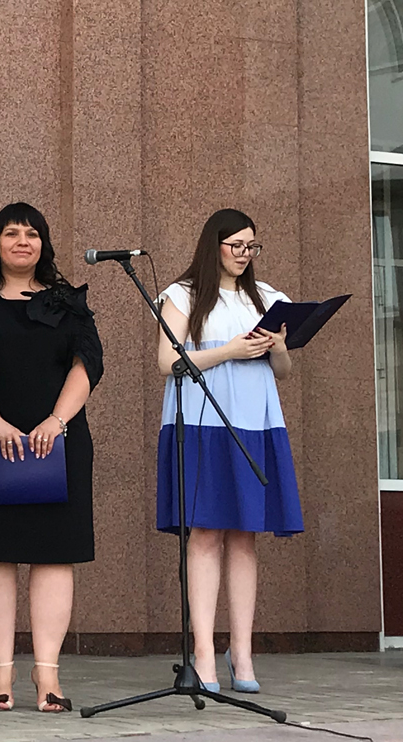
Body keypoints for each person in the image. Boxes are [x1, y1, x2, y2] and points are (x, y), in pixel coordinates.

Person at [0, 202, 103, 713]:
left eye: (32, 233)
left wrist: (56, 421)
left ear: (44, 243)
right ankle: (0, 672)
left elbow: (88, 364)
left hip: (57, 443)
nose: (22, 241)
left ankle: (47, 673)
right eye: (11, 233)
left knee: (53, 554)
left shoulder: (67, 300)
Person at [156, 208, 303, 694]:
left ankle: (242, 651)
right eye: (236, 245)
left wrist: (278, 347)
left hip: (255, 423)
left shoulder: (269, 298)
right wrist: (229, 351)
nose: (244, 254)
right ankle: (203, 652)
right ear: (213, 245)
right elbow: (167, 361)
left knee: (245, 536)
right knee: (204, 533)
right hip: (202, 422)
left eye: (251, 246)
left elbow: (282, 371)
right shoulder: (183, 295)